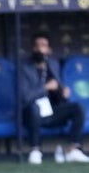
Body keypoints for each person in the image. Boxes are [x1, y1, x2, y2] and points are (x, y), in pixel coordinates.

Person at [19, 31, 89, 165]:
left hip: (51, 110)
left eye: (44, 46)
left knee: (78, 107)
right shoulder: (24, 68)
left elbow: (57, 92)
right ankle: (35, 150)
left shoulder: (53, 64)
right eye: (37, 46)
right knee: (34, 107)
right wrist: (45, 88)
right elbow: (25, 97)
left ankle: (73, 149)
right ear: (33, 48)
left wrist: (63, 93)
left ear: (49, 49)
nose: (40, 49)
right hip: (31, 113)